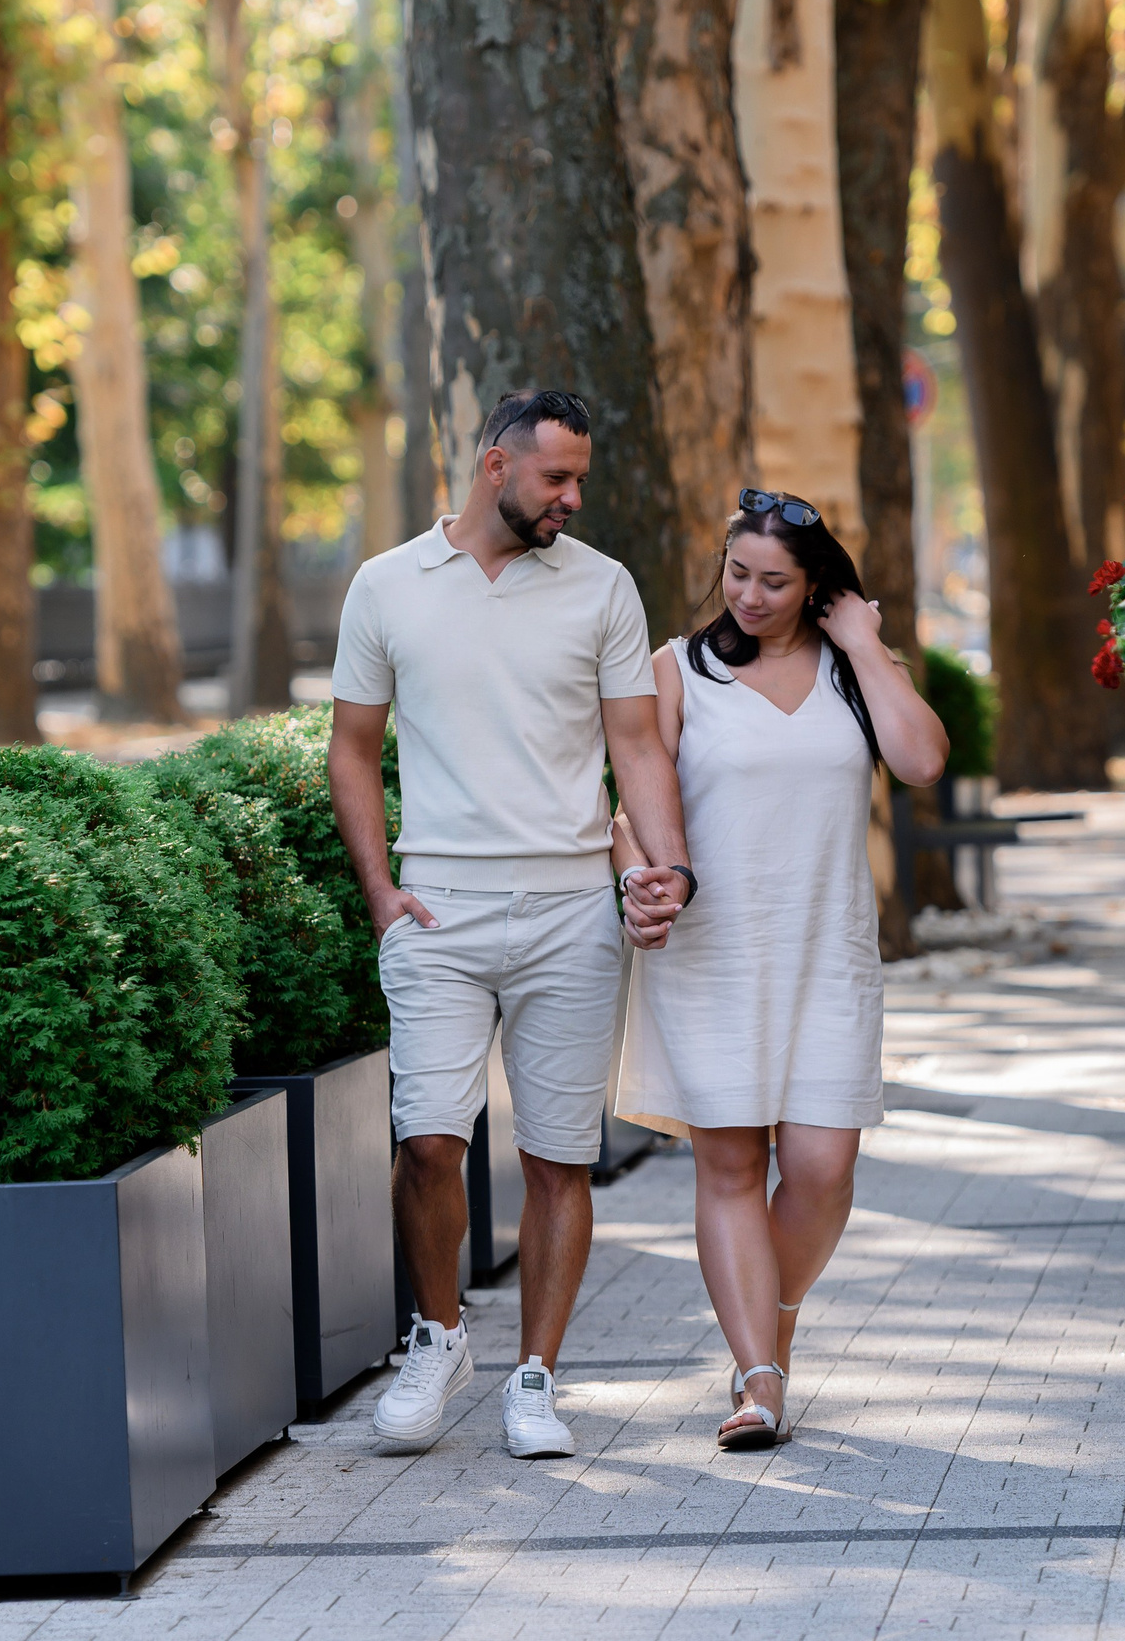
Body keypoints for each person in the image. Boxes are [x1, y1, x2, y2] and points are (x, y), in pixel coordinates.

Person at [328, 388, 692, 1459]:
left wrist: (664, 869)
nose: (573, 497)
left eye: (580, 478)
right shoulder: (386, 584)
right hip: (438, 905)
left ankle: (535, 1375)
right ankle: (437, 1335)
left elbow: (637, 744)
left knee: (555, 1158)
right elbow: (352, 746)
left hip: (572, 909)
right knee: (429, 1143)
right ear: (495, 467)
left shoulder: (603, 588)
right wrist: (380, 895)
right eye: (555, 478)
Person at [611, 489, 948, 1451]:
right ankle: (759, 1378)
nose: (750, 596)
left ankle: (775, 1314)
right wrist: (638, 873)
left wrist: (867, 643)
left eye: (776, 581)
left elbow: (922, 760)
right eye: (738, 574)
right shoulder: (677, 671)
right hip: (714, 951)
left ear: (817, 587)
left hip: (827, 953)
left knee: (821, 1169)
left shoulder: (852, 673)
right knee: (729, 1165)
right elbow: (635, 798)